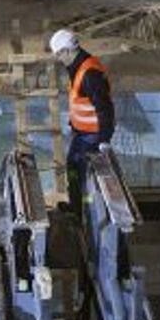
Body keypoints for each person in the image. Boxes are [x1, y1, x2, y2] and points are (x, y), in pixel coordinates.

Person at [50, 28, 114, 215]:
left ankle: (84, 210)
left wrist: (104, 140)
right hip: (82, 133)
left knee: (84, 174)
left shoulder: (89, 73)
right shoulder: (79, 67)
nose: (59, 60)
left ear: (66, 51)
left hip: (92, 136)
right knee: (73, 168)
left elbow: (105, 108)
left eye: (59, 55)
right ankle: (77, 206)